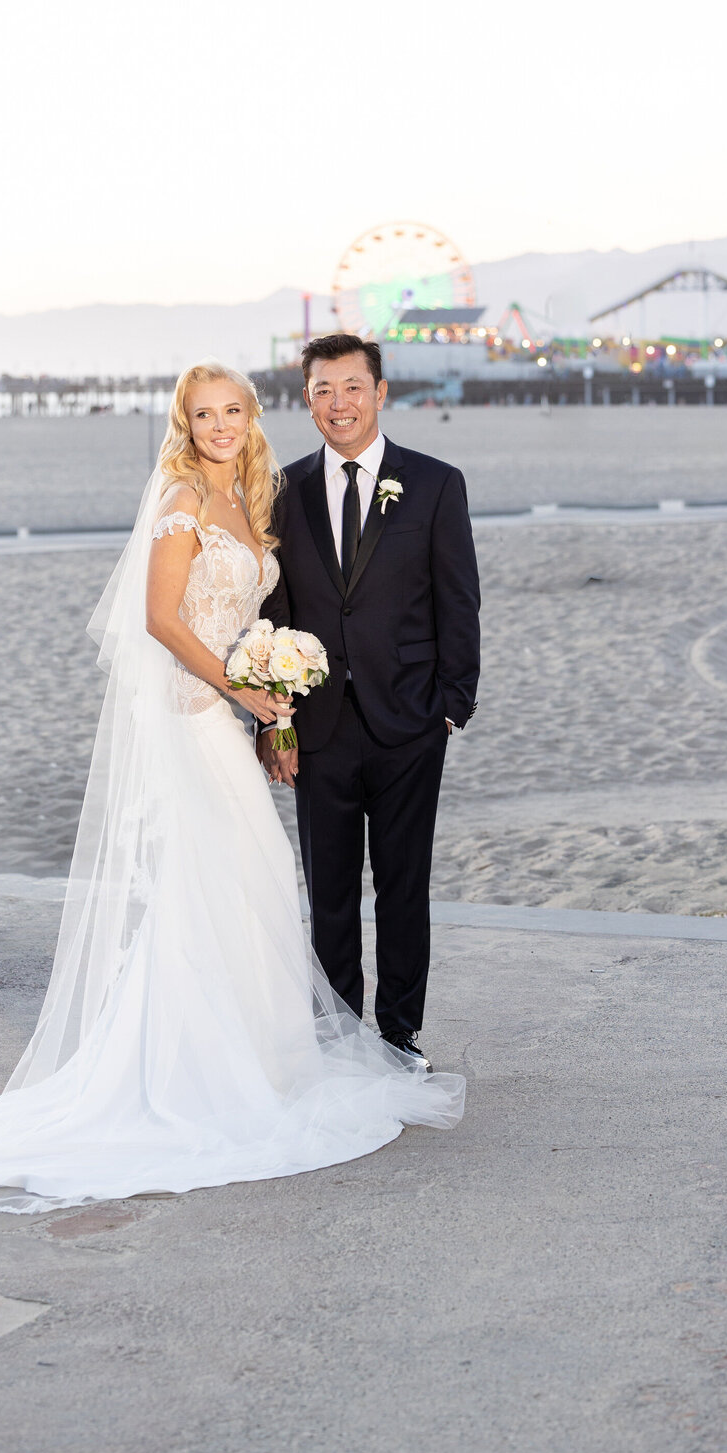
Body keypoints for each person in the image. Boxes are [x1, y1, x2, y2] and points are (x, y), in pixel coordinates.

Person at [0, 362, 462, 1214]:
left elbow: (272, 617)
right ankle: (203, 1073)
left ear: (255, 416)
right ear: (185, 423)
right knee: (221, 889)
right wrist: (242, 693)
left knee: (256, 886)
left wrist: (276, 713)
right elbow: (161, 620)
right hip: (195, 721)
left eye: (233, 410)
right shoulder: (184, 500)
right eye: (205, 414)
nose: (221, 425)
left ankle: (269, 1057)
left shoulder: (251, 498)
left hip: (246, 721)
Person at [259, 333, 480, 1071]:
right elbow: (274, 617)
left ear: (380, 393)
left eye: (352, 387)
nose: (339, 403)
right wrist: (275, 722)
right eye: (323, 390)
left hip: (410, 721)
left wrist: (451, 704)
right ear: (308, 401)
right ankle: (338, 1033)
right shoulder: (282, 493)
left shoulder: (435, 483)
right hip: (318, 726)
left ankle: (398, 1034)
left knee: (402, 888)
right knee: (327, 894)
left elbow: (458, 600)